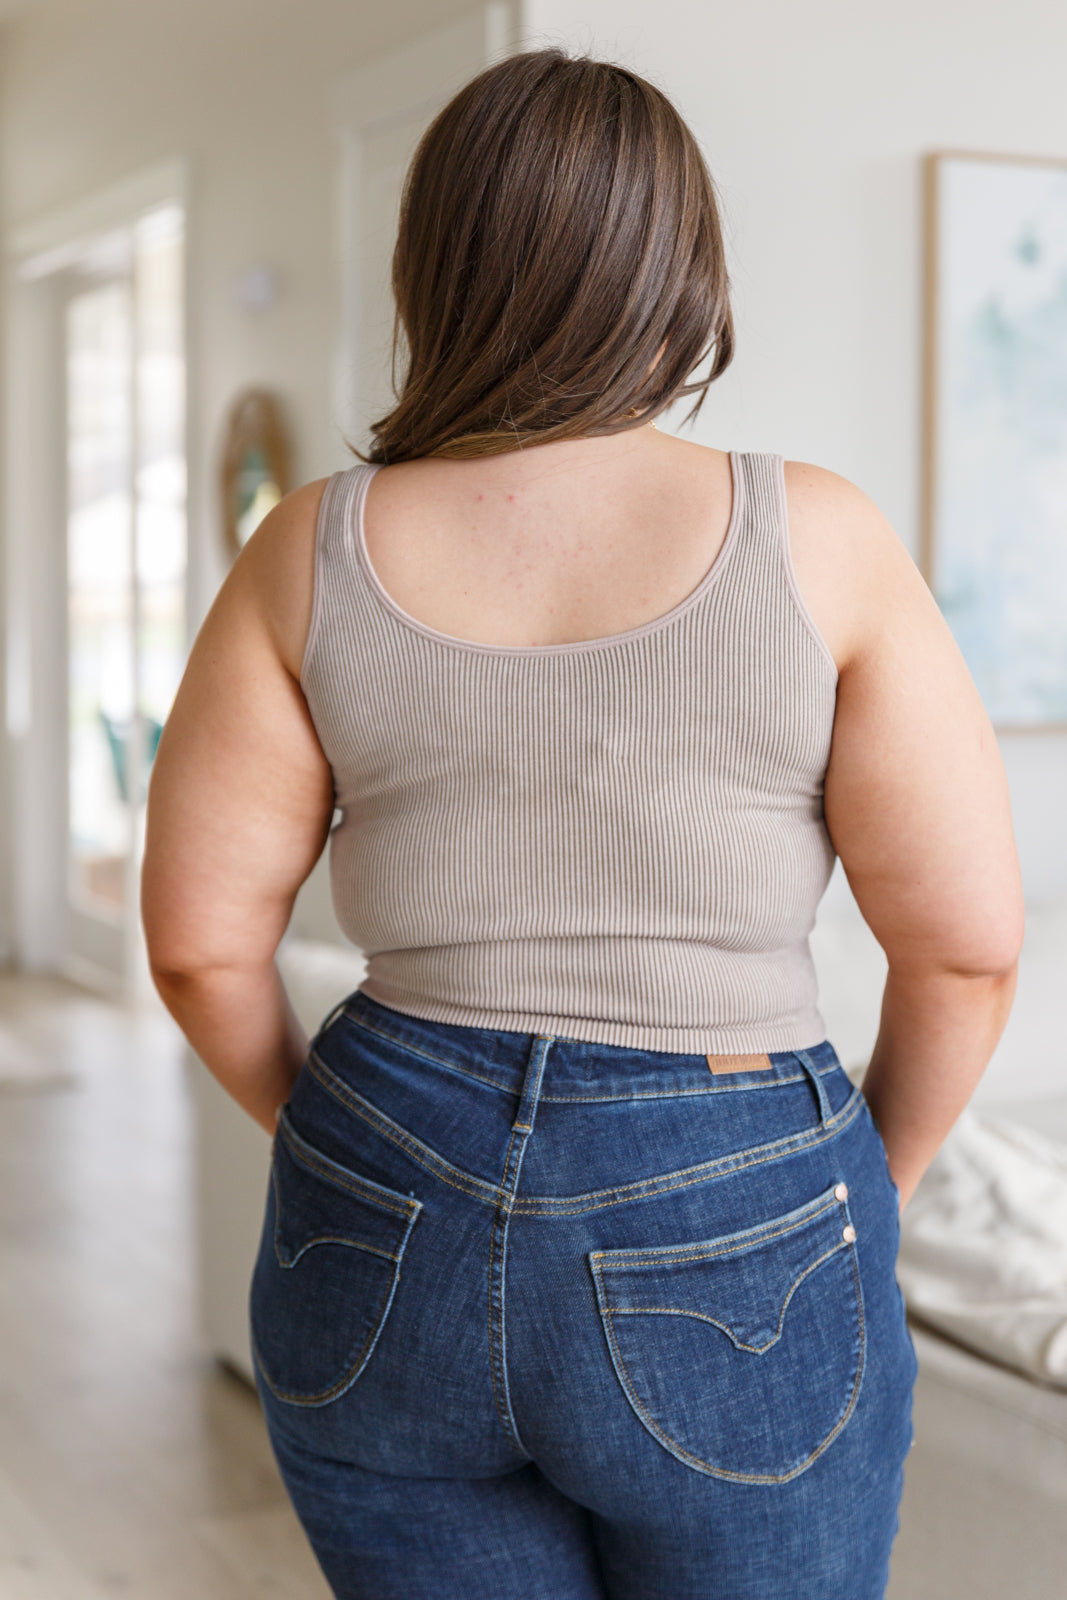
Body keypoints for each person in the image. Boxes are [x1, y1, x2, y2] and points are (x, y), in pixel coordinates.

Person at [141, 46, 1024, 1600]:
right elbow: (965, 952)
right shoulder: (819, 539)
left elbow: (200, 948)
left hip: (383, 1166)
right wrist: (839, 1197)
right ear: (684, 272)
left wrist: (375, 1165)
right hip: (738, 1165)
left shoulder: (307, 549)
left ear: (431, 270)